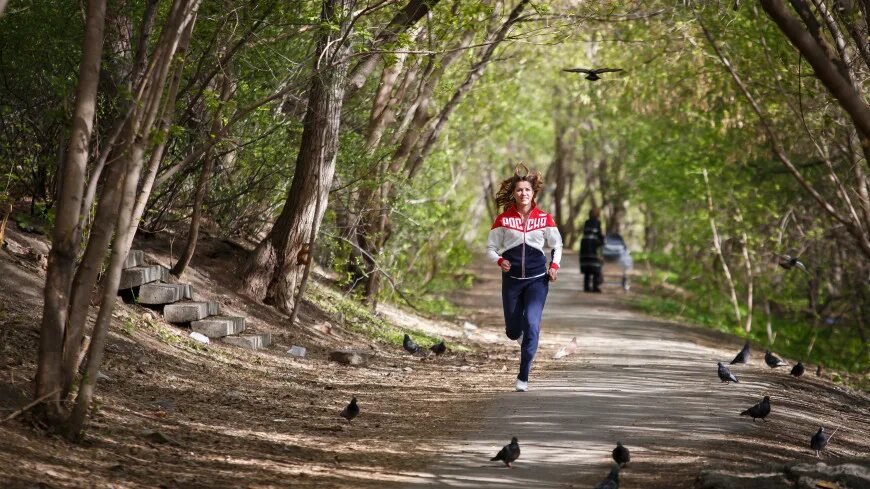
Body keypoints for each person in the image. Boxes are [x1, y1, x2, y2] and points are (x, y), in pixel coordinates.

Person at [486, 163, 562, 392]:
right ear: (514, 193)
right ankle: (518, 334)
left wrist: (555, 265)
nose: (523, 193)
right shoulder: (502, 220)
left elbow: (557, 245)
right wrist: (499, 260)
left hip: (538, 279)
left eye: (527, 190)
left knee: (532, 324)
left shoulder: (545, 218)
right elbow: (490, 248)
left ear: (533, 192)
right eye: (519, 190)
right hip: (511, 281)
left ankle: (523, 376)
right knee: (512, 331)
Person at [579, 208, 604, 292]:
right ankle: (595, 286)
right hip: (593, 246)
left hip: (585, 246)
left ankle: (586, 287)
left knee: (587, 268)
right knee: (595, 267)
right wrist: (602, 242)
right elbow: (599, 235)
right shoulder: (598, 223)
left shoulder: (587, 222)